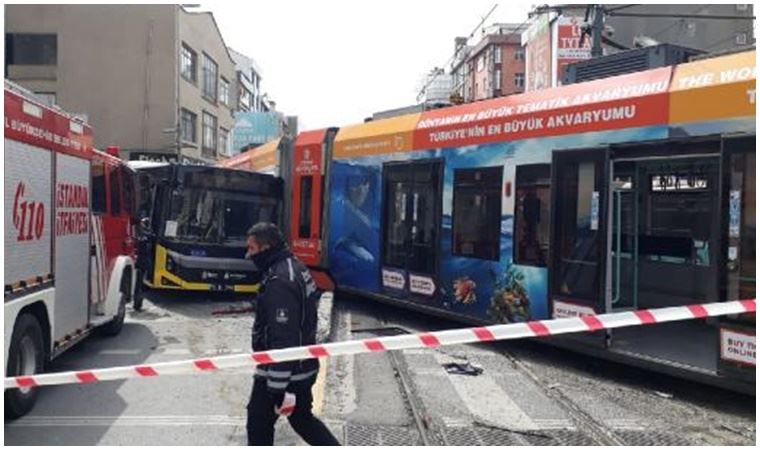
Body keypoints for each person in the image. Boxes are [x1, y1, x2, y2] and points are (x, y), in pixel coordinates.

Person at [245, 222, 340, 446]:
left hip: (283, 372)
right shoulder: (292, 266)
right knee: (302, 419)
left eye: (252, 248)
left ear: (266, 247)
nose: (248, 254)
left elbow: (284, 337)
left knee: (258, 424)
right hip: (300, 368)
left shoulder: (280, 281)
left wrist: (277, 388)